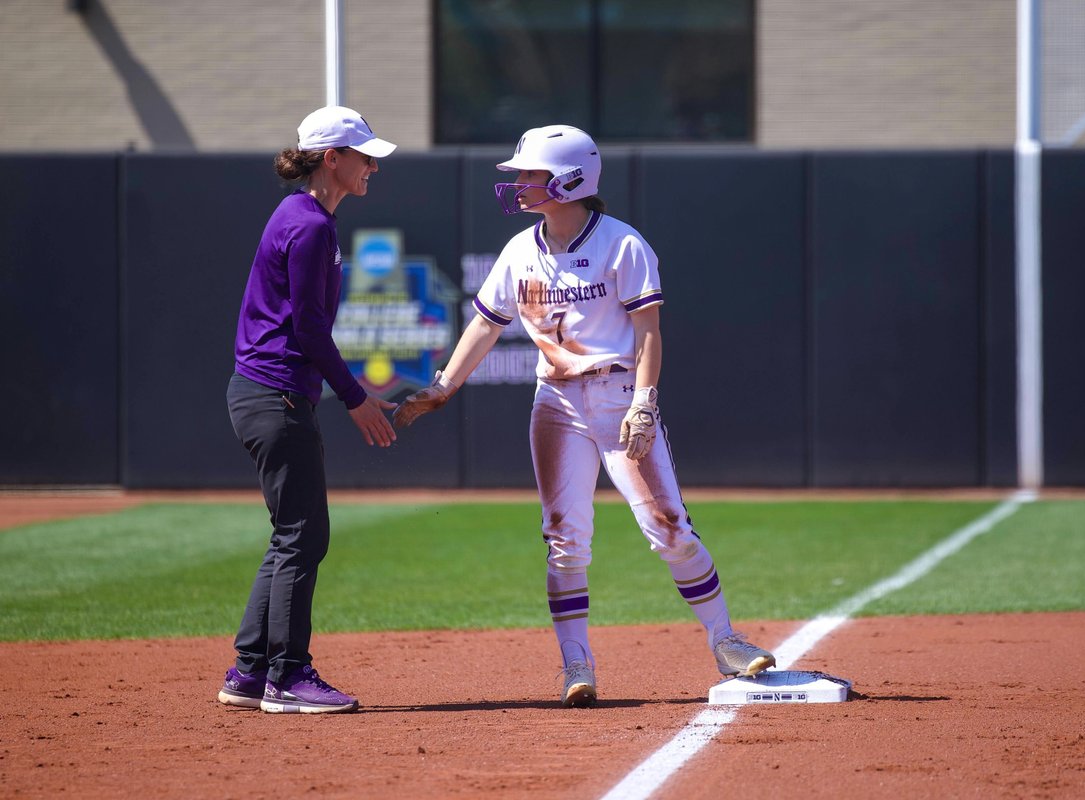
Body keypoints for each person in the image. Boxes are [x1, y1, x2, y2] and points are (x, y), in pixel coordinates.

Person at [393, 124, 775, 707]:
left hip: (621, 396)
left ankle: (725, 639)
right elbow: (485, 324)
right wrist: (444, 386)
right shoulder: (521, 249)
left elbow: (648, 333)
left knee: (668, 528)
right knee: (565, 541)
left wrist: (645, 402)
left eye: (532, 174)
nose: (520, 184)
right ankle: (577, 663)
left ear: (570, 180)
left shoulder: (622, 244)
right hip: (557, 404)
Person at [217, 106, 399, 714]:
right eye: (364, 155)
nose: (373, 165)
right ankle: (288, 676)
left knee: (291, 534)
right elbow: (310, 329)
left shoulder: (305, 215)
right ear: (332, 159)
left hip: (265, 392)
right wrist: (355, 398)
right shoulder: (311, 225)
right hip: (275, 396)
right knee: (303, 535)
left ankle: (248, 672)